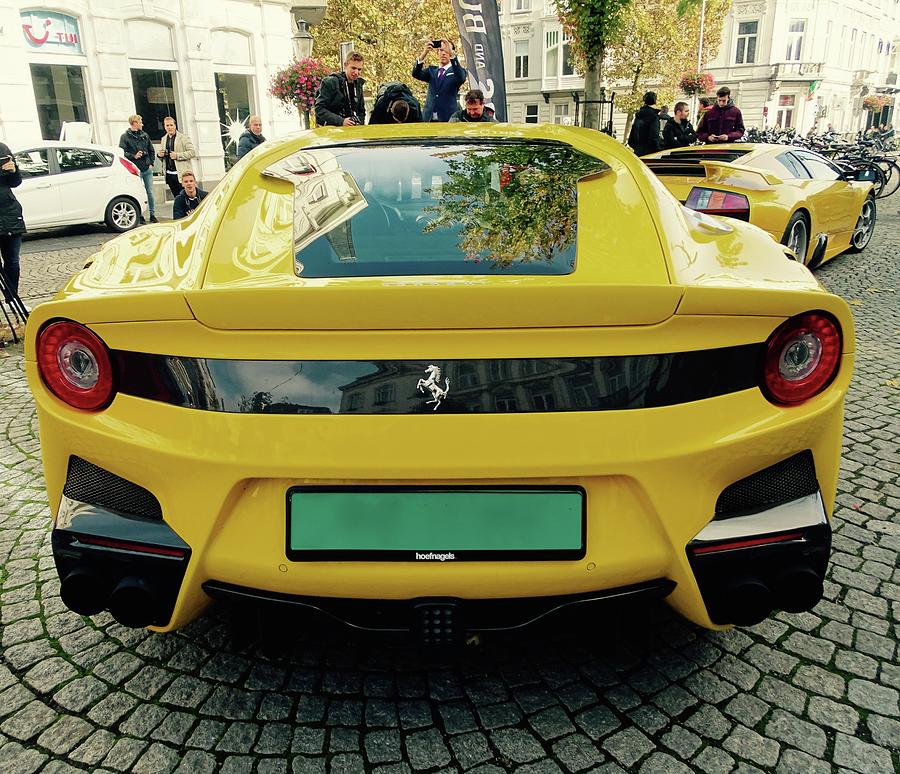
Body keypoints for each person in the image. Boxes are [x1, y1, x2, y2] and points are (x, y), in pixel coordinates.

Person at [413, 39, 467, 121]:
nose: (444, 53)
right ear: (437, 52)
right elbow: (416, 74)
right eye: (441, 50)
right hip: (428, 119)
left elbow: (461, 78)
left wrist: (453, 56)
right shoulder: (432, 71)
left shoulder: (457, 71)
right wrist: (423, 54)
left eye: (446, 50)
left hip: (448, 119)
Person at [0, 141, 25, 307]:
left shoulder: (2, 148)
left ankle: (11, 299)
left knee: (12, 262)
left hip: (9, 215)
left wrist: (13, 170)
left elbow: (16, 182)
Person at [119, 115, 157, 223]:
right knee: (138, 192)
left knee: (149, 192)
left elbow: (151, 150)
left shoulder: (145, 135)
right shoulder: (125, 137)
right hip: (135, 169)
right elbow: (121, 153)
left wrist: (151, 162)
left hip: (146, 168)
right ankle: (140, 215)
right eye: (140, 122)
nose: (142, 124)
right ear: (134, 123)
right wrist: (133, 156)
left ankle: (152, 214)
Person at [315, 52, 366, 127]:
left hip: (352, 131)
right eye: (353, 68)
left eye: (359, 69)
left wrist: (359, 122)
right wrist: (341, 121)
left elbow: (361, 112)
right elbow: (319, 109)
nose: (356, 72)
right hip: (331, 131)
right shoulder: (330, 82)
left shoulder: (358, 84)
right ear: (345, 65)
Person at [156, 117, 196, 198]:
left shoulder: (183, 138)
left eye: (171, 125)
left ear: (175, 126)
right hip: (169, 174)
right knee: (177, 198)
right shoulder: (163, 139)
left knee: (187, 197)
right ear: (164, 126)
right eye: (167, 125)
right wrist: (159, 155)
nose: (169, 127)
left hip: (182, 174)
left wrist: (178, 155)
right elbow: (162, 157)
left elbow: (192, 153)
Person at [627, 91, 661, 157]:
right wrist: (658, 149)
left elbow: (632, 137)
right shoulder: (654, 116)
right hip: (650, 153)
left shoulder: (638, 116)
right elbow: (654, 135)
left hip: (638, 151)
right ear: (655, 101)